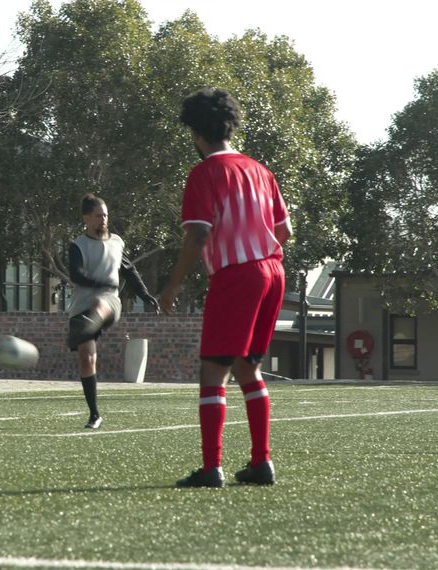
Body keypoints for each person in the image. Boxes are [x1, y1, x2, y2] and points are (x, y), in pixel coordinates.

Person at [160, 88, 291, 487]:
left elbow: (198, 235)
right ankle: (260, 462)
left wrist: (172, 287)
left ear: (197, 134)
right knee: (247, 367)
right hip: (272, 271)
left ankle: (211, 467)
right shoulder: (260, 170)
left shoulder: (204, 173)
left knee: (213, 371)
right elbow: (285, 231)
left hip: (237, 276)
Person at [68, 193, 160, 429]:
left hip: (109, 303)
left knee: (101, 304)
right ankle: (95, 414)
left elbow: (129, 271)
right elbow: (75, 274)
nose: (103, 220)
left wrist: (145, 295)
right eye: (98, 216)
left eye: (105, 215)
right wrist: (98, 282)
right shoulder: (77, 246)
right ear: (86, 218)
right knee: (87, 359)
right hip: (81, 308)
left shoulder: (117, 242)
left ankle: (83, 328)